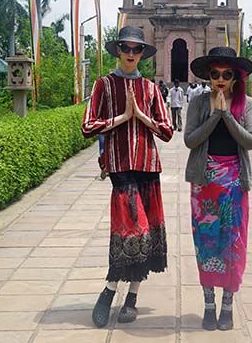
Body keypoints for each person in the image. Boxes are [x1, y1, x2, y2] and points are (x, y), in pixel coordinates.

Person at [82, 26, 174, 328]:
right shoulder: (104, 85)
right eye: (126, 48)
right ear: (118, 50)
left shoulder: (150, 88)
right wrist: (121, 118)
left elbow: (167, 131)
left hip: (148, 165)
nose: (131, 54)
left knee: (147, 234)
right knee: (132, 229)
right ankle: (108, 292)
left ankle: (132, 297)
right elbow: (88, 125)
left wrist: (142, 117)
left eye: (137, 50)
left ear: (142, 54)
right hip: (120, 165)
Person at [183, 46, 252, 331]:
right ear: (208, 77)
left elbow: (250, 141)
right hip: (205, 183)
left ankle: (228, 304)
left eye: (227, 74)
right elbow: (190, 140)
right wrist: (214, 115)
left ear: (236, 77)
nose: (221, 80)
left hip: (235, 183)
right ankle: (209, 304)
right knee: (207, 243)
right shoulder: (199, 103)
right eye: (215, 74)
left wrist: (227, 115)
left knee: (233, 243)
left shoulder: (246, 104)